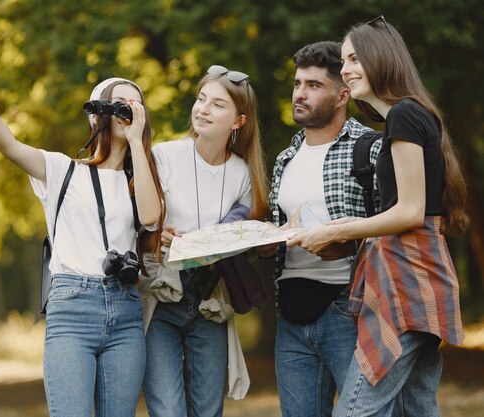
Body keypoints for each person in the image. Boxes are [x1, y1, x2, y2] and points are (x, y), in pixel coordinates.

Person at [0, 73, 163, 417]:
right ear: (97, 115)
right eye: (119, 104)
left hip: (125, 313)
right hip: (73, 310)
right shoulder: (62, 171)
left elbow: (151, 218)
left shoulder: (139, 180)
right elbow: (10, 147)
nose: (128, 111)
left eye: (135, 106)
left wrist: (137, 143)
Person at [288, 17, 469, 417]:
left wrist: (337, 228)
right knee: (415, 407)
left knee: (355, 411)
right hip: (411, 276)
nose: (346, 68)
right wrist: (338, 235)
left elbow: (410, 211)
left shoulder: (405, 115)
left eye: (354, 58)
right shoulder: (408, 115)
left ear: (380, 57)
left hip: (409, 280)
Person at [255, 41, 381, 417]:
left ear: (343, 94)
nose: (300, 94)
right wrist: (263, 240)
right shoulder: (285, 158)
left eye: (313, 85)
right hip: (290, 312)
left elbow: (400, 227)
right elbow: (282, 233)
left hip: (349, 309)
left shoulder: (371, 149)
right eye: (297, 84)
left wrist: (347, 242)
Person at [140, 65, 270, 417]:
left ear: (238, 120)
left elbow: (245, 240)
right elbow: (137, 221)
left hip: (211, 300)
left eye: (217, 104)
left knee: (208, 410)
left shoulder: (244, 174)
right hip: (163, 294)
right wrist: (154, 234)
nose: (203, 109)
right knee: (168, 409)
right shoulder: (164, 156)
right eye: (201, 100)